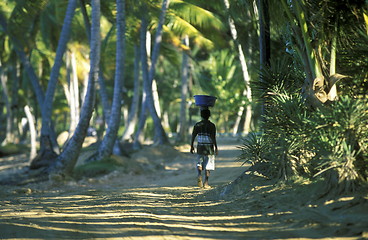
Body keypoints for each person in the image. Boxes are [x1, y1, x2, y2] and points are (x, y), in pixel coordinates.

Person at [190, 109, 218, 188]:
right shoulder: (212, 125)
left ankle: (199, 175)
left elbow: (193, 135)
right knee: (208, 166)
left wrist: (191, 146)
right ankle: (206, 183)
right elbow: (213, 137)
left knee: (199, 163)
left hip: (200, 147)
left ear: (201, 115)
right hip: (209, 148)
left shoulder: (197, 125)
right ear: (209, 116)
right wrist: (216, 147)